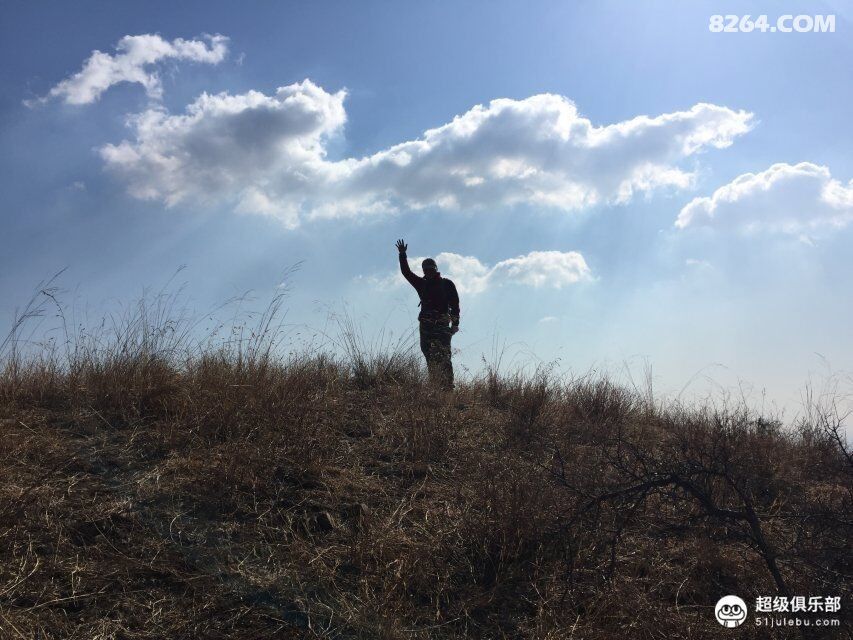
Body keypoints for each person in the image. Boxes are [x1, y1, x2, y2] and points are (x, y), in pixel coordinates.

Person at [395, 239, 459, 389]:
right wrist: (402, 255)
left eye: (431, 269)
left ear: (436, 269)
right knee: (429, 355)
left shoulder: (446, 284)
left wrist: (455, 324)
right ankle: (435, 386)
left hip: (442, 325)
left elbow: (455, 304)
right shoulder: (421, 284)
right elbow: (406, 272)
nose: (428, 271)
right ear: (423, 270)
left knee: (444, 356)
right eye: (426, 269)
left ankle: (448, 389)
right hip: (426, 325)